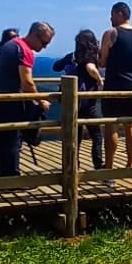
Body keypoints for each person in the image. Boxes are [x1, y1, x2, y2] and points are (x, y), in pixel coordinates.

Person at [0, 20, 55, 177]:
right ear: (34, 35)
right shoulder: (25, 51)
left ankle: (2, 175)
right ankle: (12, 179)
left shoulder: (10, 45)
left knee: (2, 137)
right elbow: (27, 83)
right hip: (11, 101)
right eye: (44, 42)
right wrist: (41, 102)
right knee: (13, 138)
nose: (44, 47)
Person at [100, 2, 132, 173]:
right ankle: (130, 165)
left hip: (114, 84)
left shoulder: (111, 33)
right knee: (131, 125)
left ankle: (109, 168)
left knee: (111, 124)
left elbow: (103, 61)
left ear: (119, 13)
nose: (110, 18)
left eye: (112, 14)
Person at [53, 29, 104, 170]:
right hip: (89, 102)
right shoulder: (91, 57)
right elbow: (90, 68)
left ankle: (74, 165)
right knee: (97, 136)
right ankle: (98, 165)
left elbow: (56, 67)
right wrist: (100, 81)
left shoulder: (72, 56)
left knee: (76, 136)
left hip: (73, 103)